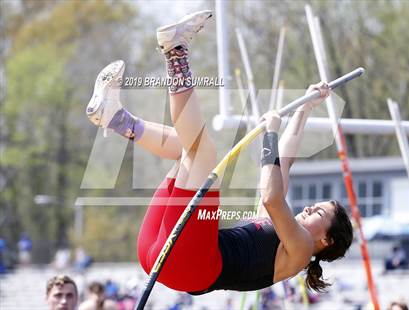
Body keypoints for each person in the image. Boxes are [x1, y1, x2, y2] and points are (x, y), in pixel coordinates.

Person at [86, 10, 353, 294]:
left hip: (192, 266)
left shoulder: (300, 250)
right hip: (159, 253)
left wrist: (270, 134)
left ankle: (175, 51)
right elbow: (283, 163)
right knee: (187, 150)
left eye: (320, 212)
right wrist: (304, 109)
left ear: (327, 241)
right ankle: (116, 118)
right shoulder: (280, 227)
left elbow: (272, 196)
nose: (310, 207)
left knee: (203, 152)